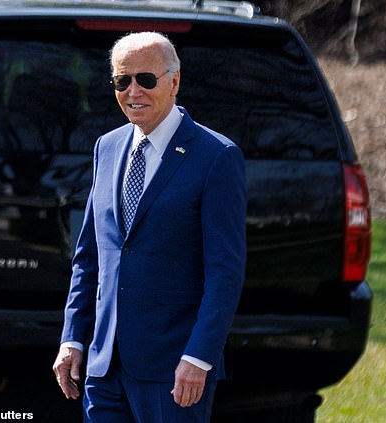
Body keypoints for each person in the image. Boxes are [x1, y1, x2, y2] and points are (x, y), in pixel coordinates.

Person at [52, 31, 246, 423]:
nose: (133, 91)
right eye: (122, 81)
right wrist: (73, 337)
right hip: (104, 367)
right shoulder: (107, 147)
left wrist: (199, 357)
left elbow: (225, 271)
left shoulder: (216, 156)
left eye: (146, 79)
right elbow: (90, 257)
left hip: (175, 370)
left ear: (174, 81)